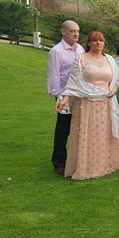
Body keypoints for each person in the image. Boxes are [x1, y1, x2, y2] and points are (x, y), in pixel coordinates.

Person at [55, 31, 119, 180]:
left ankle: (105, 163)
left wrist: (114, 89)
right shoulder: (81, 59)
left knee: (105, 134)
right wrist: (64, 100)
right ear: (88, 43)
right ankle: (87, 166)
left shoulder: (110, 59)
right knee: (89, 134)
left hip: (106, 102)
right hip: (87, 103)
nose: (98, 43)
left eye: (101, 41)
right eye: (94, 41)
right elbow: (73, 83)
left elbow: (116, 80)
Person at [47, 20, 84, 175]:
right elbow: (54, 75)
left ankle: (76, 158)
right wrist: (59, 96)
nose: (75, 34)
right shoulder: (56, 51)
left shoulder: (80, 49)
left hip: (80, 93)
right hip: (64, 95)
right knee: (63, 129)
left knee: (78, 127)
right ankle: (59, 161)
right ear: (63, 32)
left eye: (77, 31)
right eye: (72, 31)